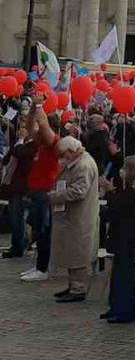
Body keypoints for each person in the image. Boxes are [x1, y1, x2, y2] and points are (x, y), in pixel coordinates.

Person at [101, 155, 135, 323]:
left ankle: (124, 310)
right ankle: (115, 306)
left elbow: (119, 207)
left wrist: (110, 191)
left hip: (127, 236)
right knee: (117, 272)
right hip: (122, 235)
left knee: (125, 274)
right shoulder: (129, 189)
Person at [50, 136, 101, 303]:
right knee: (70, 251)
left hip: (80, 217)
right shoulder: (77, 162)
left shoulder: (84, 165)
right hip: (72, 216)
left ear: (72, 152)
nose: (63, 158)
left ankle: (78, 288)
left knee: (77, 252)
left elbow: (79, 191)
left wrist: (56, 196)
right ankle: (73, 284)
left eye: (64, 154)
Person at [21, 104, 60, 283]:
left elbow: (43, 127)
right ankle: (40, 265)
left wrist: (38, 107)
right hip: (36, 192)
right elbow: (29, 129)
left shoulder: (53, 143)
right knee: (38, 231)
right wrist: (31, 112)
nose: (36, 128)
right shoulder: (41, 144)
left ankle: (43, 268)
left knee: (43, 232)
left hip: (44, 194)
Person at [2, 120, 38, 258]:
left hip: (24, 187)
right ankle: (20, 242)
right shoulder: (18, 143)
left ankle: (19, 245)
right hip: (12, 185)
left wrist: (21, 140)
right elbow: (8, 158)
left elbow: (20, 153)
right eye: (21, 127)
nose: (21, 130)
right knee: (15, 216)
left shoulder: (33, 145)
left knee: (20, 217)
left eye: (24, 128)